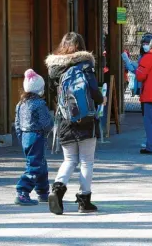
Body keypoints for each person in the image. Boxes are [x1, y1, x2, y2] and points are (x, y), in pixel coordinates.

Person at [46, 32, 105, 215]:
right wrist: (101, 99)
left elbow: (51, 93)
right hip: (86, 118)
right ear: (81, 45)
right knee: (87, 161)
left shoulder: (54, 68)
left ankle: (57, 189)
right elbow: (94, 92)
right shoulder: (85, 65)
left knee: (69, 159)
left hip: (64, 119)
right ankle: (84, 201)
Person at [14, 69, 54, 206]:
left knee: (40, 163)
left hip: (25, 136)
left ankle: (43, 192)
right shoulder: (39, 104)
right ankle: (22, 191)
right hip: (36, 136)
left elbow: (17, 124)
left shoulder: (20, 104)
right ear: (39, 89)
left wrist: (21, 137)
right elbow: (46, 123)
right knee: (35, 166)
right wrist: (52, 125)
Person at [122, 33, 152, 149]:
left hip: (149, 89)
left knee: (149, 116)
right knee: (151, 116)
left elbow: (140, 72)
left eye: (147, 43)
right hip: (144, 88)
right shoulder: (143, 57)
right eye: (143, 43)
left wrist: (129, 64)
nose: (145, 46)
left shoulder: (150, 57)